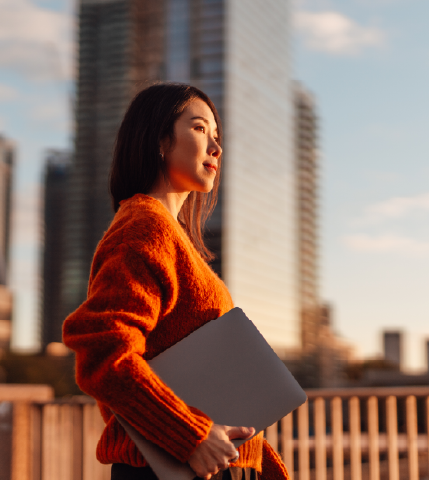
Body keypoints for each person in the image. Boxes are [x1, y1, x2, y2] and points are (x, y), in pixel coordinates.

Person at [62, 83, 289, 480]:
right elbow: (103, 351)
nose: (216, 148)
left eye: (217, 137)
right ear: (160, 139)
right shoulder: (145, 226)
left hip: (207, 460)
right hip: (171, 465)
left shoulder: (171, 235)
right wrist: (190, 436)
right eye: (200, 129)